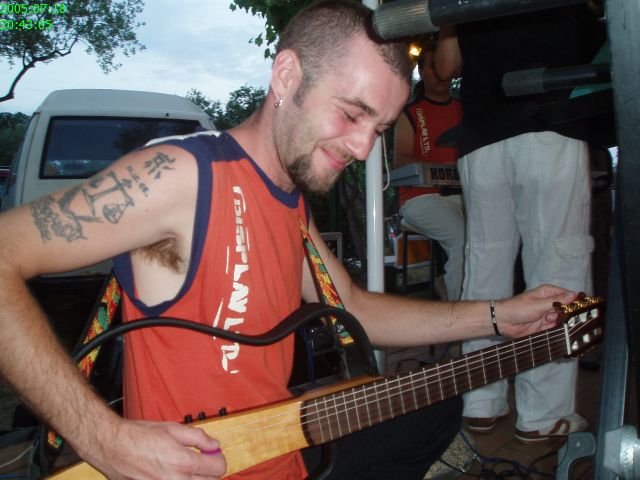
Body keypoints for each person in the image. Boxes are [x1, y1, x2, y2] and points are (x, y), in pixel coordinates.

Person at [0, 1, 577, 478]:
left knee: (433, 411)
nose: (362, 149)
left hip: (284, 451)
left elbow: (353, 308)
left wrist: (500, 315)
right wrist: (103, 438)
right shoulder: (182, 175)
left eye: (378, 129)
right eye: (351, 114)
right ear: (286, 76)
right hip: (203, 466)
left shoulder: (288, 197)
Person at [434, 3, 605, 444]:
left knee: (484, 267)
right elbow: (597, 42)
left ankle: (480, 402)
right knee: (559, 262)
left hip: (481, 138)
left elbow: (445, 66)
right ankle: (544, 413)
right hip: (546, 123)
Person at [393, 40, 464, 300]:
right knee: (463, 241)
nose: (441, 72)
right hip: (421, 198)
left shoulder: (464, 109)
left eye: (445, 64)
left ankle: (448, 283)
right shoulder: (410, 113)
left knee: (494, 239)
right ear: (422, 71)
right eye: (434, 66)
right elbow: (400, 161)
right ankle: (461, 315)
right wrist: (441, 169)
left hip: (465, 195)